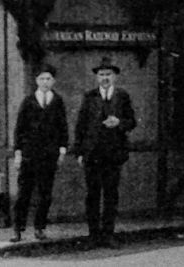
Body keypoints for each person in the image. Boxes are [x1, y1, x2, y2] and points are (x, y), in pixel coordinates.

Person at [72, 56, 136, 248]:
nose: (104, 78)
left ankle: (108, 234)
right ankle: (93, 235)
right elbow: (81, 126)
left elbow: (132, 121)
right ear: (96, 77)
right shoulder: (89, 97)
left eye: (108, 74)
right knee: (92, 195)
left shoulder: (122, 96)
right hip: (92, 154)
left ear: (115, 76)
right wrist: (79, 152)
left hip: (113, 154)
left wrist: (119, 123)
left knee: (110, 195)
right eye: (101, 74)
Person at [10, 65, 69, 242]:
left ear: (54, 81)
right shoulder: (28, 101)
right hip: (29, 153)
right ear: (36, 81)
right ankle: (18, 230)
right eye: (42, 79)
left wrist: (62, 149)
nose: (45, 82)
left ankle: (39, 228)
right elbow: (19, 129)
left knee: (45, 193)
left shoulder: (57, 101)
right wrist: (18, 153)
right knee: (24, 193)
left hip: (49, 154)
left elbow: (63, 127)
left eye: (48, 79)